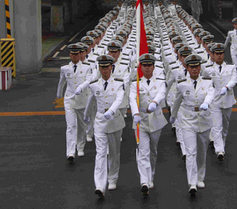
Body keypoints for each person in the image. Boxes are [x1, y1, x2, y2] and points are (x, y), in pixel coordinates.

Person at [170, 54, 215, 196]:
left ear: (200, 67)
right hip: (188, 120)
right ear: (187, 68)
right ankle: (192, 182)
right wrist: (173, 116)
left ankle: (200, 176)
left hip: (204, 119)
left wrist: (207, 103)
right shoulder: (182, 84)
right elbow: (177, 101)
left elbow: (211, 93)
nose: (195, 69)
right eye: (192, 67)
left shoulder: (207, 82)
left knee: (202, 151)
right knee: (191, 152)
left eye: (197, 66)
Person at [84, 55, 125, 198]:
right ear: (99, 68)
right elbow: (91, 99)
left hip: (114, 121)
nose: (104, 70)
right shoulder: (95, 84)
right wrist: (87, 114)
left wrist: (112, 111)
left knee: (114, 153)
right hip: (100, 120)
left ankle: (112, 178)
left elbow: (119, 98)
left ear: (111, 67)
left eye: (107, 67)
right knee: (100, 153)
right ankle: (100, 185)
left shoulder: (119, 82)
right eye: (102, 67)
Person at [129, 54, 167, 195]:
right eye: (144, 65)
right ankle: (144, 180)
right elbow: (132, 98)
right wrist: (135, 113)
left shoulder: (160, 81)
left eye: (149, 65)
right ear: (140, 66)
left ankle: (151, 174)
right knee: (143, 150)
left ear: (153, 66)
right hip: (141, 119)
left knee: (153, 150)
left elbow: (162, 93)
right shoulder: (135, 82)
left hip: (156, 118)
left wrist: (155, 103)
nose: (146, 67)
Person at [57, 43, 91, 163]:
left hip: (82, 100)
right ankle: (70, 152)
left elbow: (89, 80)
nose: (74, 56)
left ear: (80, 54)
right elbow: (61, 82)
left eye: (76, 54)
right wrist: (58, 95)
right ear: (70, 55)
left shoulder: (87, 68)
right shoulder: (65, 68)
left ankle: (80, 146)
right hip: (69, 99)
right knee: (71, 126)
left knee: (82, 126)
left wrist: (81, 87)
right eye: (72, 54)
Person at [208, 43, 237, 161]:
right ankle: (219, 150)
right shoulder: (209, 69)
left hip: (228, 100)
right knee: (217, 127)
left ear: (223, 55)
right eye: (217, 54)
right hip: (215, 102)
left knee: (225, 127)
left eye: (221, 54)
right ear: (213, 56)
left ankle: (222, 145)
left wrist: (226, 87)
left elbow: (234, 79)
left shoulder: (231, 68)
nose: (219, 56)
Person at [223, 18, 237, 82]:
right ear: (233, 25)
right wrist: (224, 46)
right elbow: (227, 40)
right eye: (235, 24)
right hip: (233, 49)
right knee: (235, 64)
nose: (236, 25)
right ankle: (236, 77)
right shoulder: (230, 32)